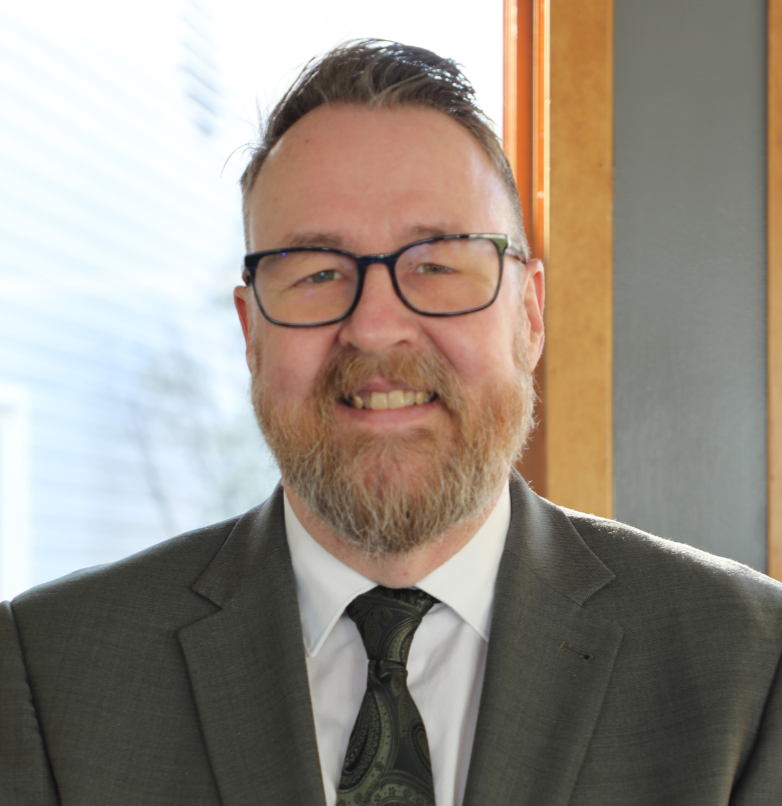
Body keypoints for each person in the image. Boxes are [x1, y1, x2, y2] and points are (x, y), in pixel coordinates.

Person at [1, 40, 781, 806]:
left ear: (530, 315)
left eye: (437, 264)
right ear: (250, 331)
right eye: (317, 273)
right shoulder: (49, 671)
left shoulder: (750, 665)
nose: (375, 328)